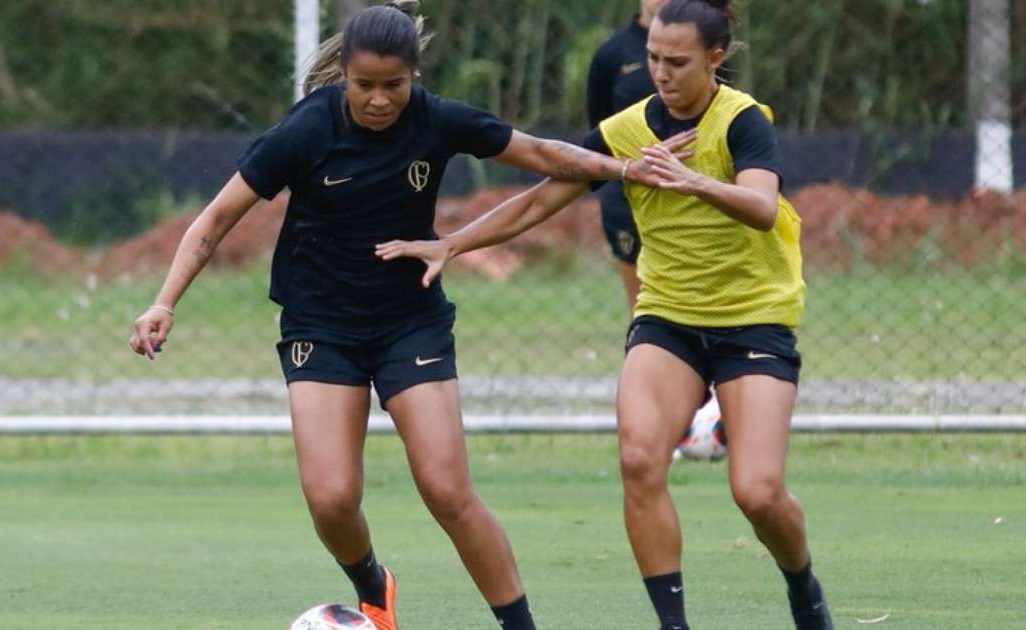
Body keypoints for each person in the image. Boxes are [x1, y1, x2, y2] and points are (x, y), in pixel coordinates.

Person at [128, 3, 648, 629]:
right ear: (343, 74)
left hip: (411, 322)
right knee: (331, 498)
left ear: (414, 76)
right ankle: (372, 582)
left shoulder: (437, 120)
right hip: (320, 326)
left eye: (393, 86)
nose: (378, 100)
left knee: (448, 491)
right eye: (364, 86)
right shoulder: (306, 131)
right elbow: (214, 219)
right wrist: (164, 301)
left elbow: (541, 154)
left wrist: (623, 168)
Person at [375, 1, 834, 628]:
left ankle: (802, 586)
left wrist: (688, 178)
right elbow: (543, 198)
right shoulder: (626, 129)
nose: (662, 73)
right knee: (640, 459)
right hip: (668, 319)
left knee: (757, 493)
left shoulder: (741, 121)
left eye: (678, 62)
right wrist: (453, 242)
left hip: (754, 319)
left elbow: (760, 206)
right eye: (653, 59)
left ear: (716, 58)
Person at [586, 0, 671, 311]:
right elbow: (599, 130)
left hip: (689, 188)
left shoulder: (703, 44)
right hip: (628, 195)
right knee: (645, 309)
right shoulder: (612, 54)